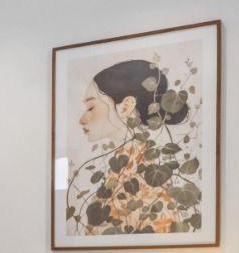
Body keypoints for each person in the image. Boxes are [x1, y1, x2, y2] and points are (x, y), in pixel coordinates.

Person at [68, 58, 199, 234]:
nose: (82, 119)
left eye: (91, 107)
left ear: (126, 106)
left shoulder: (144, 176)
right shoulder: (123, 167)